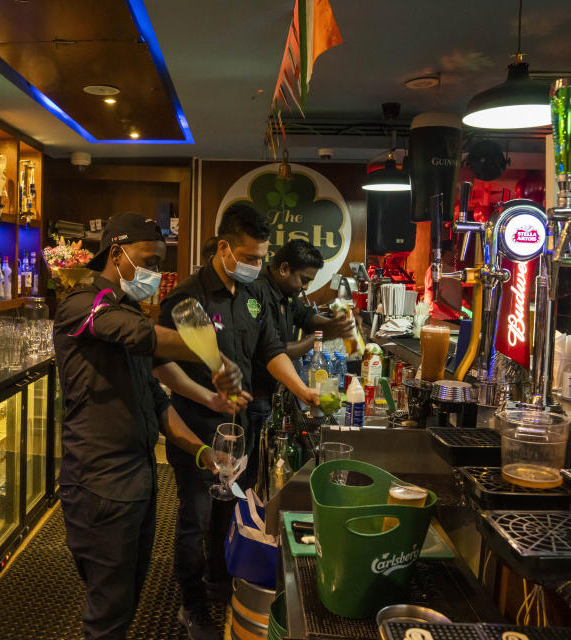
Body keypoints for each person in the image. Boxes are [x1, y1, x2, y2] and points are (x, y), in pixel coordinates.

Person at [53, 213, 245, 640]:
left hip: (137, 480)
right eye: (148, 261)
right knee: (108, 610)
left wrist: (201, 450)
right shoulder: (83, 306)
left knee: (127, 597)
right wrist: (213, 358)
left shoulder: (124, 309)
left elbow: (156, 397)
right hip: (98, 484)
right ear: (116, 254)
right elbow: (144, 337)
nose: (155, 273)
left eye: (160, 264)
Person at [155, 203, 319, 640]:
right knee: (196, 516)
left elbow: (271, 351)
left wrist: (302, 391)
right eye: (249, 258)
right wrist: (209, 395)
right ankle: (190, 607)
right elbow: (159, 367)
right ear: (224, 248)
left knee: (230, 515)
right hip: (198, 428)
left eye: (261, 258)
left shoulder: (254, 295)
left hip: (242, 428)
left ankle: (219, 583)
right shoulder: (188, 298)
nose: (257, 266)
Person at [242, 239, 357, 488]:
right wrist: (316, 339)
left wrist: (332, 325)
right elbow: (271, 351)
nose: (304, 288)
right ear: (284, 268)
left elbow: (306, 317)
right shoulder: (258, 292)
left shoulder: (285, 294)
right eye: (303, 279)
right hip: (254, 398)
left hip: (271, 395)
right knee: (249, 473)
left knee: (261, 472)